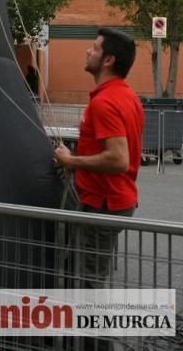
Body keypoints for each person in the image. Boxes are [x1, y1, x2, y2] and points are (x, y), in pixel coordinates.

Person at [54, 27, 144, 284]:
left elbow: (118, 159)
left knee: (87, 281)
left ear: (108, 60)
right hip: (114, 202)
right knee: (89, 275)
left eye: (94, 47)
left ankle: (88, 324)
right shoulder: (127, 95)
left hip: (104, 205)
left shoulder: (104, 102)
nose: (87, 51)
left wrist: (70, 161)